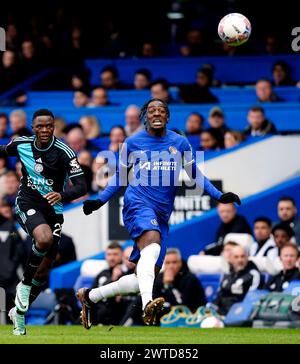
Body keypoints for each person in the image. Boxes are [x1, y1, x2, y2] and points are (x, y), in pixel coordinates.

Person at [77, 98, 241, 329]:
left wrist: (219, 196)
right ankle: (147, 305)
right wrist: (99, 200)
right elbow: (119, 178)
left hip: (162, 213)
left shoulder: (180, 143)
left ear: (167, 117)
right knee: (152, 246)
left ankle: (90, 296)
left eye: (161, 110)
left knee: (143, 277)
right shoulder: (133, 142)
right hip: (138, 203)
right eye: (152, 110)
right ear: (145, 116)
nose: (156, 113)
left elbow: (196, 175)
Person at [0, 108, 87, 335]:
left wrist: (63, 195)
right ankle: (24, 285)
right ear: (33, 127)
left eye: (49, 126)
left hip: (53, 210)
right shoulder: (21, 144)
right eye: (40, 126)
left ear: (54, 127)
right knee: (44, 238)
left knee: (44, 271)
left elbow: (81, 186)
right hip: (27, 202)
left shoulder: (64, 152)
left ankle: (18, 313)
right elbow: (3, 150)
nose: (45, 130)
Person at [213, 245, 263, 315]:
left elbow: (252, 299)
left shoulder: (253, 275)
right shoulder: (227, 274)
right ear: (230, 259)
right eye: (236, 257)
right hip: (221, 313)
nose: (240, 260)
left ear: (247, 257)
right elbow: (219, 296)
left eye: (243, 256)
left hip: (239, 314)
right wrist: (211, 309)